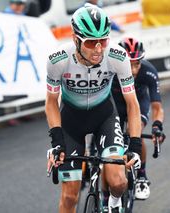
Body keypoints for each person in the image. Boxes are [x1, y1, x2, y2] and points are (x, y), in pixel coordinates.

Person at [45, 5, 142, 213]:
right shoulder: (58, 60)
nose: (99, 49)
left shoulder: (117, 56)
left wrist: (134, 145)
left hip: (104, 116)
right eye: (91, 42)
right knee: (70, 196)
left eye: (103, 40)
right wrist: (57, 141)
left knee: (118, 182)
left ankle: (115, 205)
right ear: (76, 39)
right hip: (71, 122)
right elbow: (51, 101)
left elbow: (132, 103)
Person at [111, 37, 166, 200]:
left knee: (136, 131)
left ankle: (141, 177)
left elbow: (157, 107)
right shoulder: (111, 70)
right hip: (117, 104)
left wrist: (157, 126)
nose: (134, 70)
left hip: (139, 103)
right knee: (109, 131)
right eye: (129, 64)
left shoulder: (149, 71)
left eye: (137, 63)